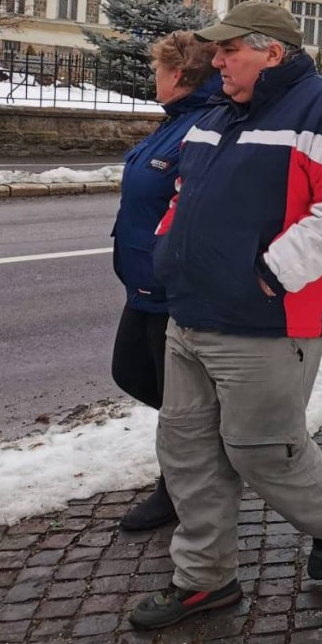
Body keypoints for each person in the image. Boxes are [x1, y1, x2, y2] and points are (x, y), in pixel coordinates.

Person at [130, 3, 322, 629]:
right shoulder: (217, 112)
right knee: (186, 452)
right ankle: (204, 580)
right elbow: (188, 193)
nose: (214, 62)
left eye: (227, 51)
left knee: (261, 451)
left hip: (268, 323)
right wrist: (169, 251)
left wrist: (269, 275)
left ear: (271, 51)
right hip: (189, 313)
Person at [110, 31, 220, 532]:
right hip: (144, 284)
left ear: (177, 75)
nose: (153, 77)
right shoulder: (175, 123)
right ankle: (200, 453)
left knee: (174, 399)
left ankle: (180, 483)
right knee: (133, 373)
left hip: (171, 289)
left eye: (157, 69)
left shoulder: (200, 127)